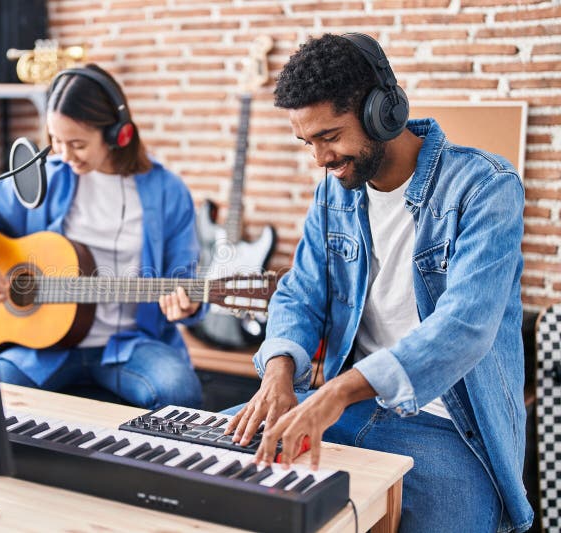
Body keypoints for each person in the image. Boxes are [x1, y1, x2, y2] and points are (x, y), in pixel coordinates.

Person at [224, 34, 532, 532]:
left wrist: (337, 392)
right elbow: (299, 294)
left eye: (330, 136)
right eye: (309, 143)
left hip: (450, 428)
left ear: (382, 112)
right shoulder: (333, 196)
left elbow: (464, 327)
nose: (321, 159)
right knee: (210, 473)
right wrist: (279, 372)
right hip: (344, 409)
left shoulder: (485, 187)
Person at [0, 64, 204, 409]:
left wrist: (189, 302)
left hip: (130, 346)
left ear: (118, 135)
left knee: (180, 392)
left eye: (77, 144)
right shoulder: (45, 177)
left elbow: (186, 275)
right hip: (44, 347)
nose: (64, 154)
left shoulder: (168, 190)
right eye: (55, 141)